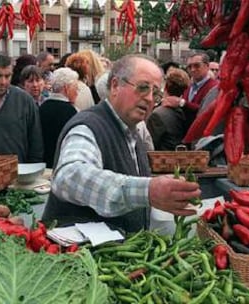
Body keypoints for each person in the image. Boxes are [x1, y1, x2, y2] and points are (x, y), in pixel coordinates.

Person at [42, 54, 200, 233]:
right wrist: (147, 191)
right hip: (79, 256)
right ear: (115, 85)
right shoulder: (87, 126)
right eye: (142, 88)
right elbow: (69, 177)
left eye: (155, 93)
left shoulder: (134, 134)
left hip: (114, 254)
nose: (149, 98)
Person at [161, 52, 219, 130]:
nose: (192, 69)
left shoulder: (214, 87)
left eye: (197, 65)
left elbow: (206, 111)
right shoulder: (189, 86)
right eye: (189, 67)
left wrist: (182, 103)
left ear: (207, 66)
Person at [39, 67, 78, 168]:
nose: (77, 92)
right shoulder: (71, 112)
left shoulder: (41, 107)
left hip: (43, 163)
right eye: (75, 88)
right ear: (66, 88)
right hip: (62, 164)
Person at [147, 68, 191, 151]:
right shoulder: (185, 111)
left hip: (164, 160)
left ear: (165, 87)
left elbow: (150, 144)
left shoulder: (158, 114)